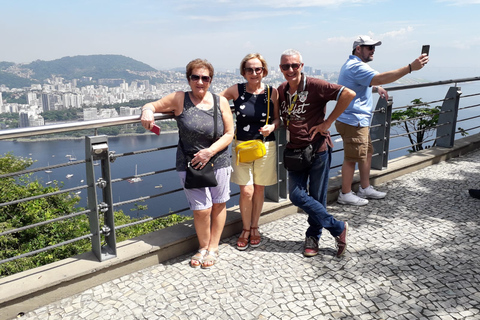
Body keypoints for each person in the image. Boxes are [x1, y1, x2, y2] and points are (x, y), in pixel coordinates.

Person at [140, 58, 234, 269]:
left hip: (218, 159)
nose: (200, 82)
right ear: (188, 79)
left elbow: (230, 133)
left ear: (211, 80)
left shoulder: (221, 101)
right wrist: (147, 111)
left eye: (205, 78)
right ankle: (202, 246)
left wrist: (210, 152)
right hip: (191, 163)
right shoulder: (179, 98)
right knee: (201, 209)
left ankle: (213, 247)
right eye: (195, 77)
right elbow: (152, 105)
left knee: (219, 203)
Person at [277, 49, 356, 257]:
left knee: (317, 197)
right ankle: (338, 227)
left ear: (302, 66)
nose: (291, 69)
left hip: (317, 149)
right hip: (295, 152)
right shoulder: (282, 90)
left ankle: (313, 236)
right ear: (281, 69)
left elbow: (348, 94)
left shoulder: (315, 85)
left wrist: (328, 122)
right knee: (296, 195)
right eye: (286, 66)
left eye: (295, 65)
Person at [336, 35, 429, 206]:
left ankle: (364, 187)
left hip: (357, 120)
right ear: (358, 49)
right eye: (369, 47)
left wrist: (376, 87)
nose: (373, 51)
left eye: (374, 48)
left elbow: (366, 81)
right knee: (351, 158)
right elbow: (382, 77)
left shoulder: (354, 65)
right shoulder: (356, 66)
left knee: (367, 153)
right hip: (353, 120)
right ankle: (345, 193)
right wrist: (410, 68)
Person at [219, 53, 280, 251]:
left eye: (258, 69)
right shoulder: (237, 90)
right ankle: (245, 229)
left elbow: (278, 119)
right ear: (243, 72)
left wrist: (272, 127)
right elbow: (217, 102)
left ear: (264, 71)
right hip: (242, 146)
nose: (254, 73)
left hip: (265, 146)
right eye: (249, 69)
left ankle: (255, 227)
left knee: (259, 188)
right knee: (246, 190)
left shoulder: (272, 92)